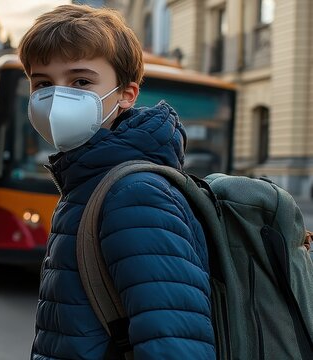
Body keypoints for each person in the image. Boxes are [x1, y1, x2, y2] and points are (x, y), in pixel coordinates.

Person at [18, 5, 214, 360]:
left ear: (126, 94)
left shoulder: (134, 194)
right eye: (43, 84)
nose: (57, 97)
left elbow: (173, 344)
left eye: (81, 81)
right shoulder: (88, 179)